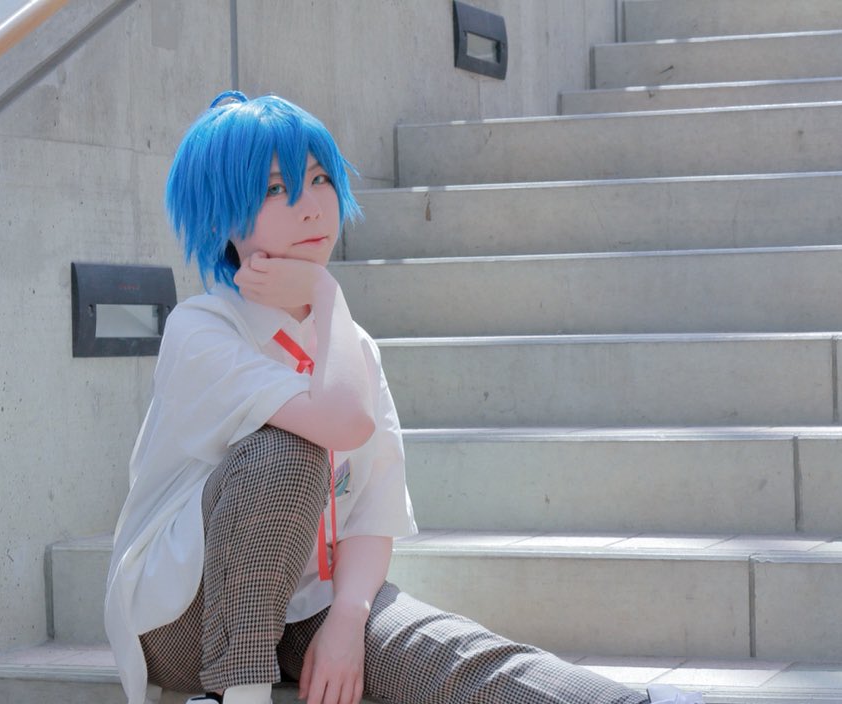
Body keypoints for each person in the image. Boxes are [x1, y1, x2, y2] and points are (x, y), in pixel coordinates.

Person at [104, 91, 705, 704]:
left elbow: (371, 513)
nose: (312, 208)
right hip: (184, 614)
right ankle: (237, 695)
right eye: (277, 189)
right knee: (288, 452)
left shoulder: (352, 345)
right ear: (219, 221)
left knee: (444, 653)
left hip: (306, 602)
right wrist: (327, 290)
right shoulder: (203, 327)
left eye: (320, 180)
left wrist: (347, 619)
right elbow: (339, 423)